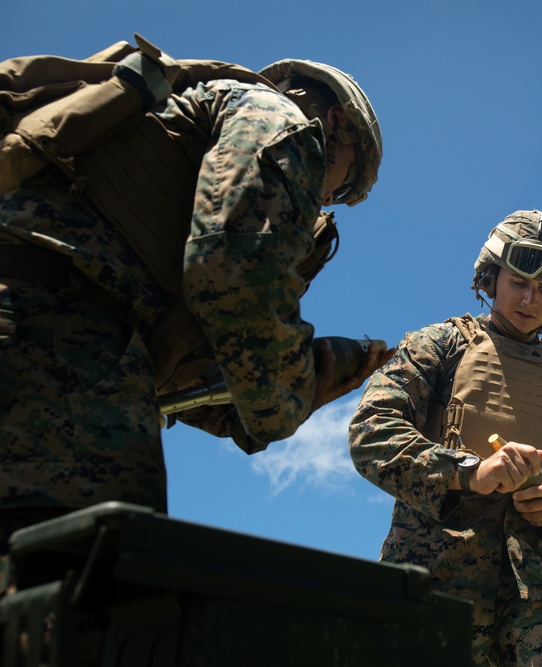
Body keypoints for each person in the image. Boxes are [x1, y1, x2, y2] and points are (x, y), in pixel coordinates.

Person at [0, 41, 391, 553]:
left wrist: (259, 410)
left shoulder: (182, 126)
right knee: (80, 593)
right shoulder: (282, 120)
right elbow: (231, 274)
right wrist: (284, 400)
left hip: (44, 328)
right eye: (342, 187)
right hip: (58, 337)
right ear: (337, 123)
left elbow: (181, 362)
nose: (325, 200)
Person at [349, 209, 542, 666]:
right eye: (519, 282)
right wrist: (468, 472)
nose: (530, 298)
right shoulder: (438, 346)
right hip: (435, 584)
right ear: (492, 278)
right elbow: (371, 432)